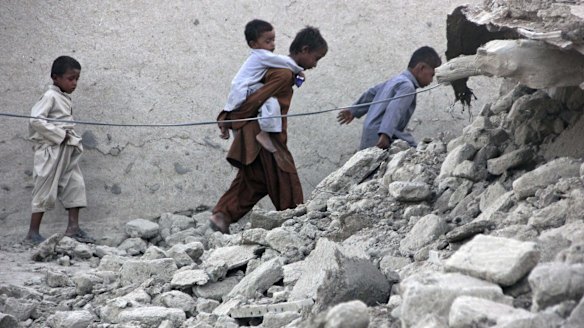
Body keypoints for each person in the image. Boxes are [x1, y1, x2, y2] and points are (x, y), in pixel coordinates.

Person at [210, 26, 328, 234]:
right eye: (316, 58)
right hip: (264, 136)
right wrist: (230, 118)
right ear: (305, 50)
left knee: (255, 179)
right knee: (285, 175)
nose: (315, 65)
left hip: (261, 134)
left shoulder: (283, 69)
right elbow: (256, 99)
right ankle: (296, 224)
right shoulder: (283, 74)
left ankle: (222, 215)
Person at [25, 56, 94, 244]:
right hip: (51, 151)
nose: (75, 83)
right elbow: (36, 120)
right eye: (70, 78)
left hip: (66, 150)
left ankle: (73, 228)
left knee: (75, 184)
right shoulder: (49, 96)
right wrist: (59, 134)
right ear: (56, 78)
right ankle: (32, 233)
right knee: (44, 189)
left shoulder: (63, 97)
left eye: (77, 79)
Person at [223, 19, 305, 153]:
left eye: (273, 40)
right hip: (244, 90)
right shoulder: (261, 55)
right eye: (268, 41)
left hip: (239, 91)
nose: (272, 45)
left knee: (255, 111)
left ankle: (231, 130)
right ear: (253, 44)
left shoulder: (259, 56)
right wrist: (299, 71)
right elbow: (283, 61)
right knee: (271, 102)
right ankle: (264, 133)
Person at [337, 46, 442, 149]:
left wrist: (354, 110)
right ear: (421, 68)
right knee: (415, 149)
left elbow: (371, 93)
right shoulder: (408, 87)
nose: (431, 81)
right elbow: (395, 109)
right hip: (380, 137)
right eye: (431, 75)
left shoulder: (396, 80)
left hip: (370, 133)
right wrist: (386, 134)